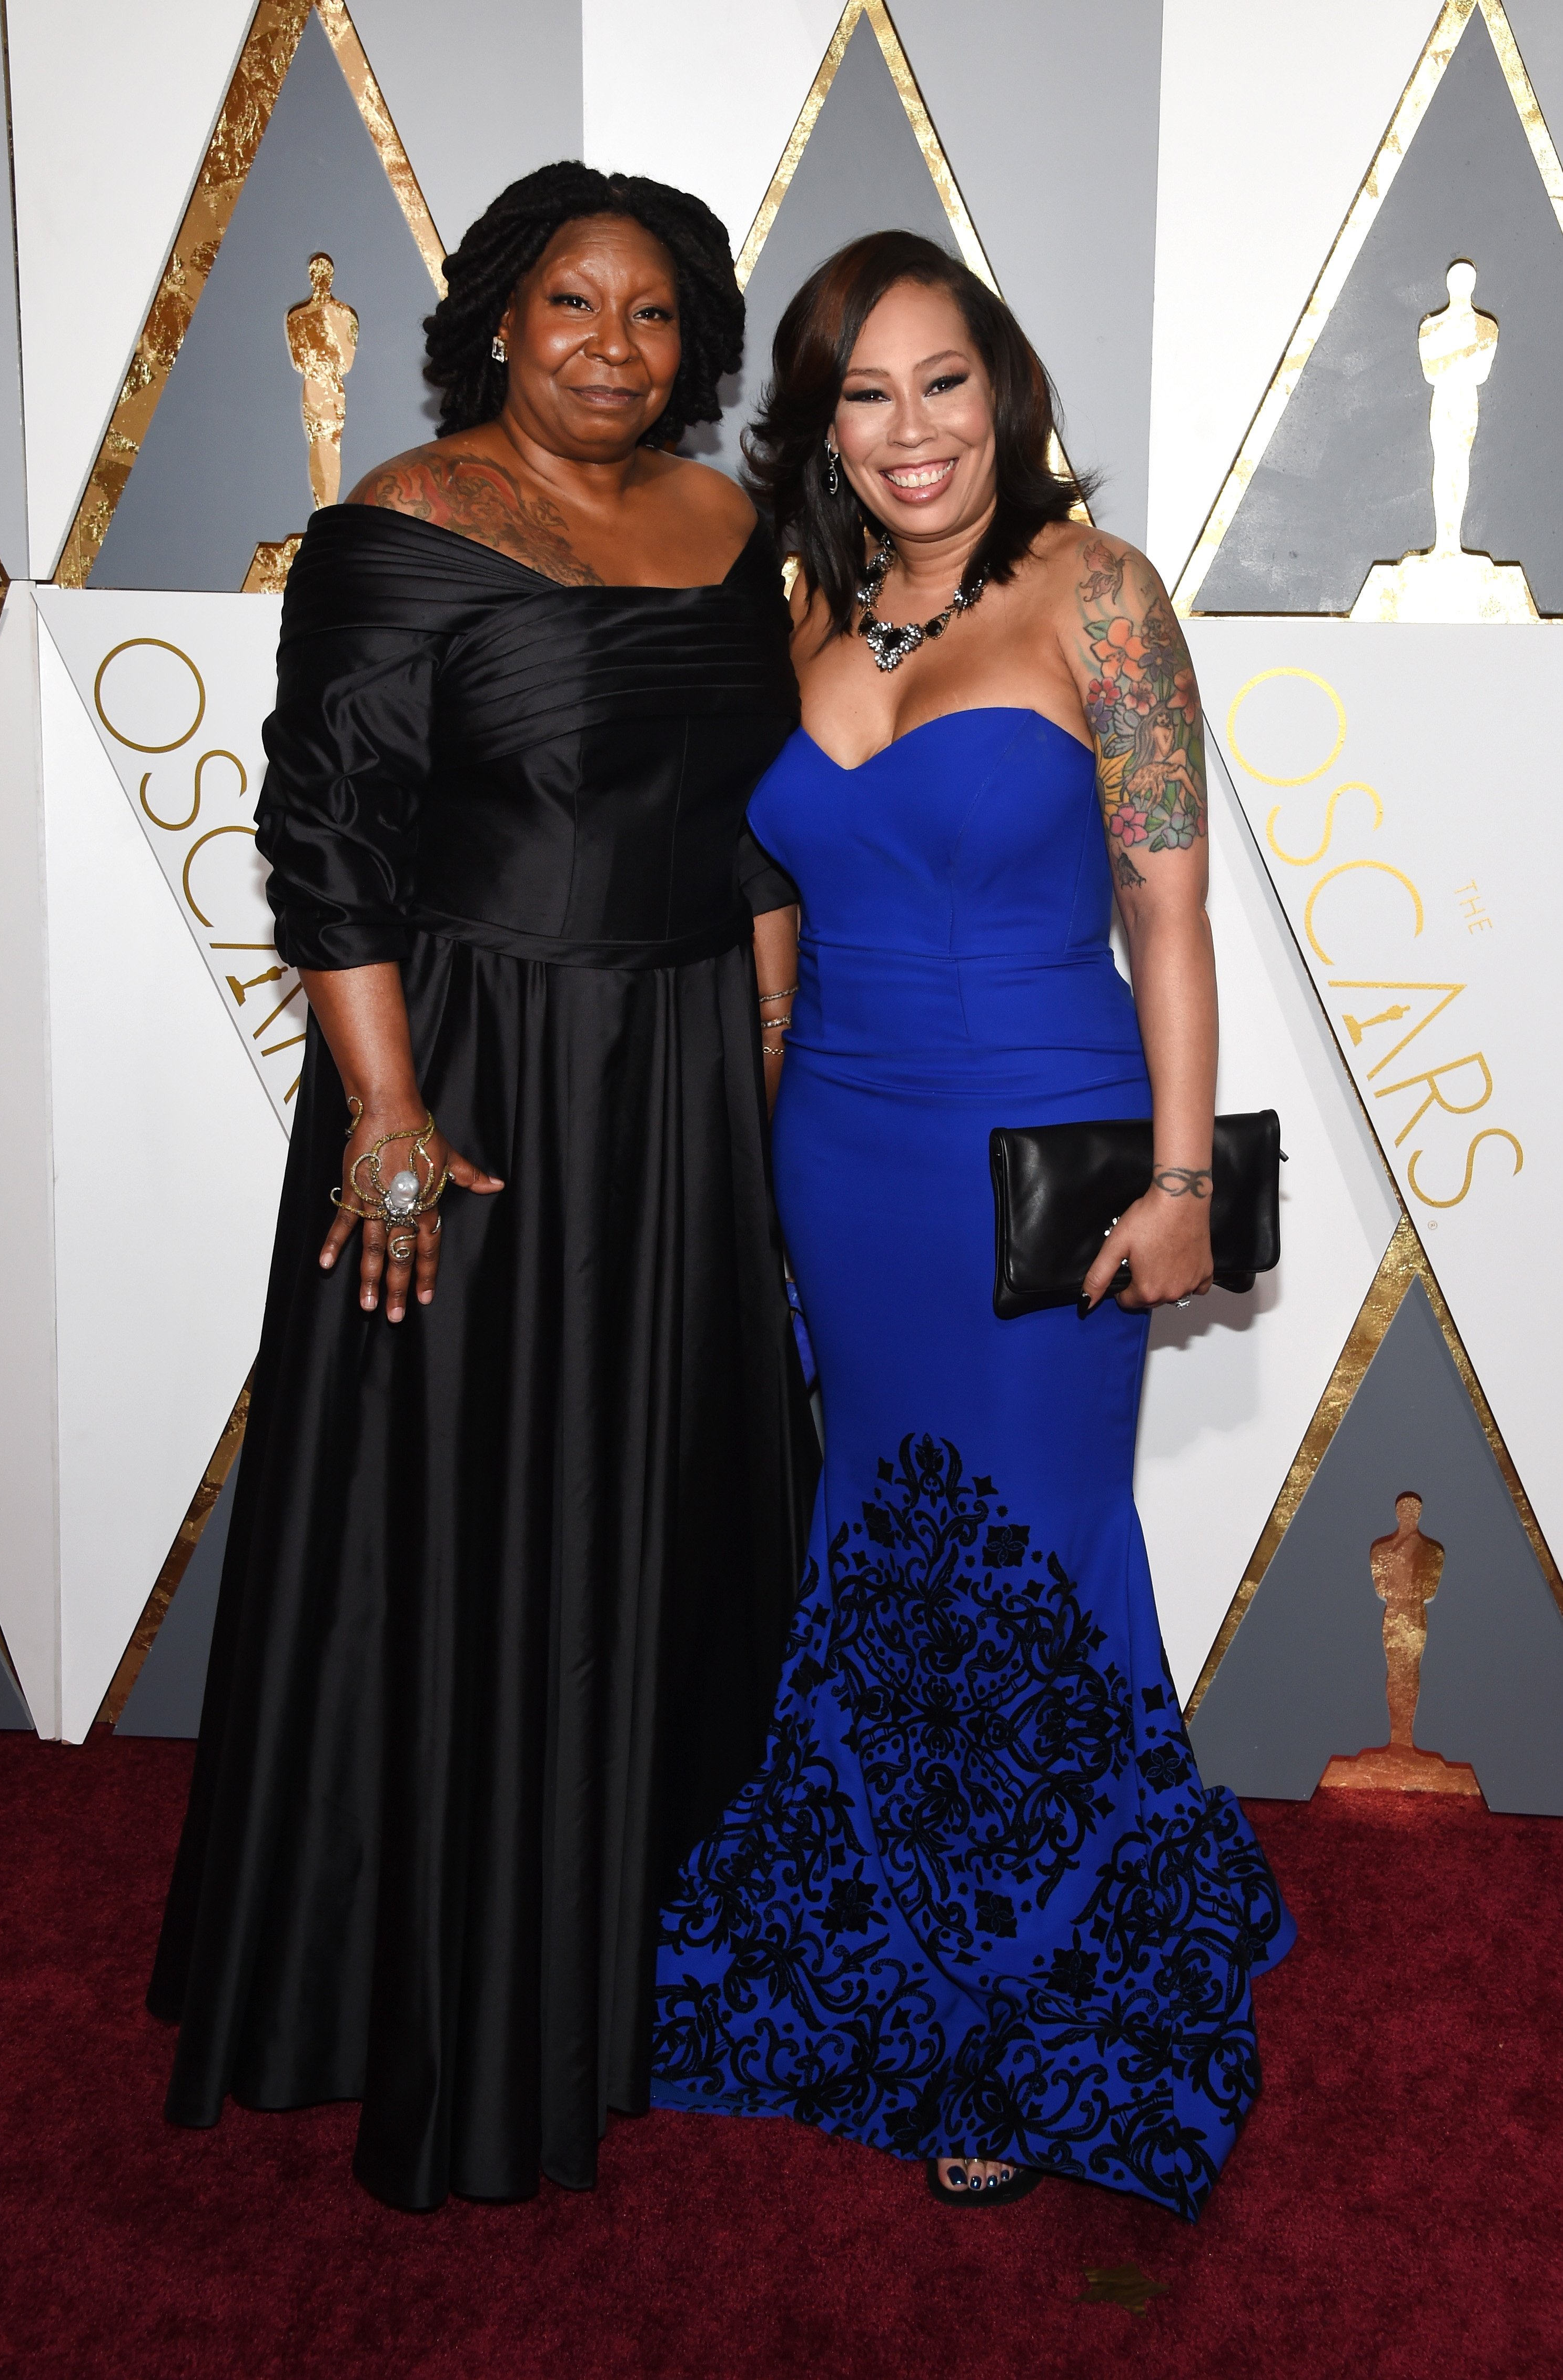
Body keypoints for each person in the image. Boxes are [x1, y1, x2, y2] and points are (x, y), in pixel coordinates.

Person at [148, 163, 819, 2212]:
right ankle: (424, 1998)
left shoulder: (739, 536)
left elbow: (759, 826)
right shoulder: (402, 529)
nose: (611, 348)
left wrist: (765, 1071)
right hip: (474, 1086)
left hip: (693, 1075)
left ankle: (633, 1970)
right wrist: (386, 1118)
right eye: (570, 307)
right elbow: (327, 843)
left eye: (652, 315)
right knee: (456, 1527)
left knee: (674, 1524)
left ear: (692, 343)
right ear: (500, 324)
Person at [650, 230, 1295, 2219]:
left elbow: (1168, 915)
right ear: (818, 429)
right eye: (864, 394)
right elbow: (764, 932)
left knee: (1031, 1554)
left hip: (1049, 1155)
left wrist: (1183, 1184)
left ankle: (1029, 2009)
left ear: (999, 392)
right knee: (883, 1542)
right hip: (838, 1158)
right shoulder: (791, 621)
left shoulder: (1099, 601)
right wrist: (743, 1167)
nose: (909, 431)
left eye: (942, 383)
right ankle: (891, 1942)